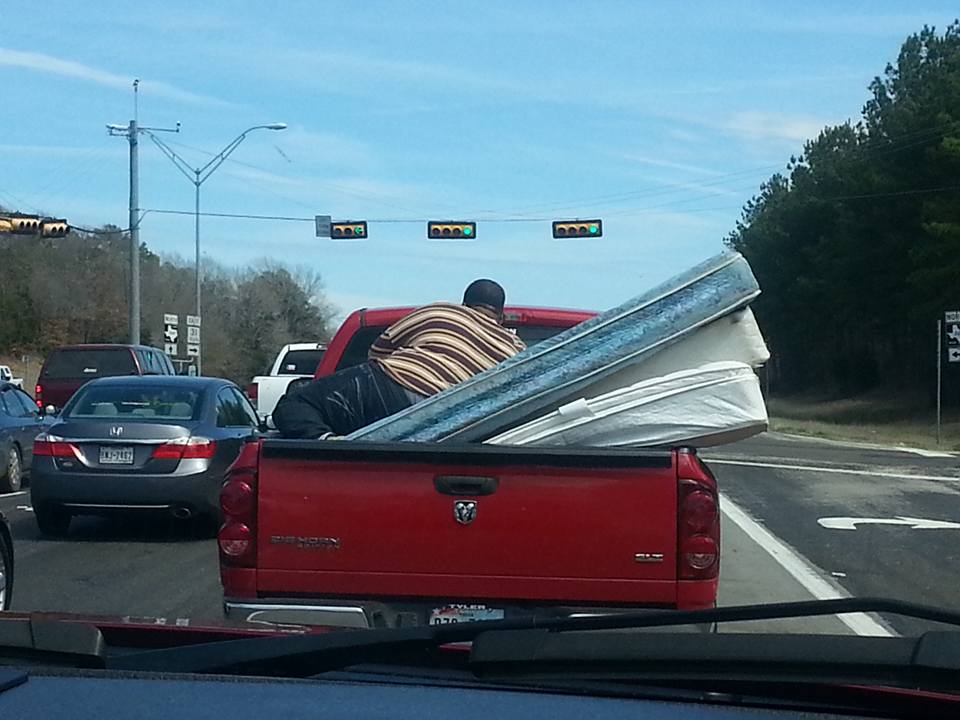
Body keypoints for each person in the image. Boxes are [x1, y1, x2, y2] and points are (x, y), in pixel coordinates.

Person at [272, 279, 526, 438]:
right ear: (501, 317)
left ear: (464, 304)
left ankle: (328, 444)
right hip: (456, 418)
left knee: (295, 404)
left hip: (390, 388)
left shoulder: (442, 311)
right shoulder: (515, 348)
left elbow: (379, 350)